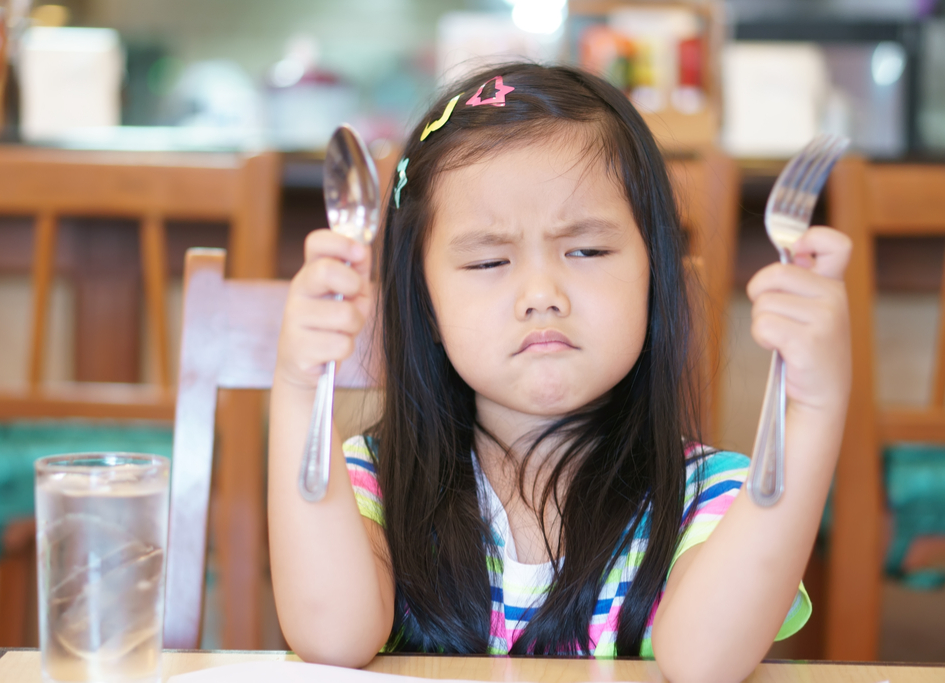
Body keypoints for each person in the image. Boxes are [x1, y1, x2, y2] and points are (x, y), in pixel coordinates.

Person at [268, 63, 851, 683]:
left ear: (655, 276)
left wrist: (813, 410)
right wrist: (299, 386)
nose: (541, 293)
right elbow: (332, 639)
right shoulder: (373, 482)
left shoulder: (713, 498)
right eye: (490, 260)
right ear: (425, 303)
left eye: (587, 250)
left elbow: (702, 664)